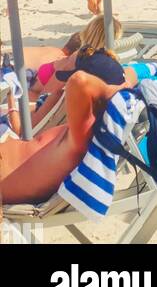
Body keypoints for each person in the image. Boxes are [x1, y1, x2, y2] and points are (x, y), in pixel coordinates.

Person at [0, 55, 137, 205]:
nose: (65, 87)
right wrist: (121, 85)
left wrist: (113, 89)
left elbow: (79, 80)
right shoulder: (82, 129)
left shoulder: (83, 134)